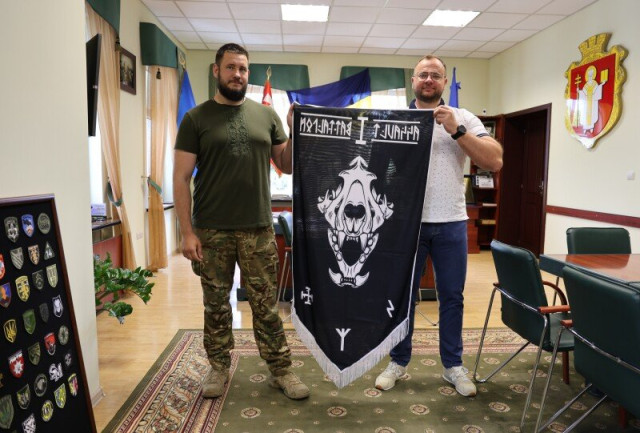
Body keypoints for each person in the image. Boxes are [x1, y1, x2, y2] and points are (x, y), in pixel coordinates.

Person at [173, 43, 309, 401]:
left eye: (243, 69)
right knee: (216, 305)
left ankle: (281, 369)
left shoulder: (266, 116)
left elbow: (287, 165)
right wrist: (187, 233)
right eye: (231, 67)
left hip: (258, 229)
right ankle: (218, 367)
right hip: (211, 230)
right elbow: (180, 178)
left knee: (266, 306)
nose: (238, 74)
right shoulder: (196, 119)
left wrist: (294, 130)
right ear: (217, 71)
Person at [375, 55, 503, 397]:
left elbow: (494, 160)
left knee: (452, 298)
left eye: (435, 75)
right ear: (413, 81)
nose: (429, 79)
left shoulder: (463, 117)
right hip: (407, 226)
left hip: (451, 224)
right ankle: (398, 362)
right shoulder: (395, 120)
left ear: (444, 83)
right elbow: (375, 167)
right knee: (401, 298)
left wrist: (456, 130)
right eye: (423, 74)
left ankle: (453, 366)